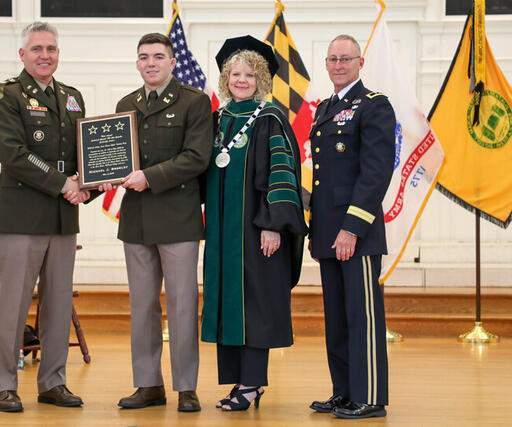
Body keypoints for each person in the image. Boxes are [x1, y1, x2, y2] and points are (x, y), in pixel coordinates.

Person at [0, 21, 89, 412]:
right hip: (21, 217)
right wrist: (65, 183)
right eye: (37, 49)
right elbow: (12, 153)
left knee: (59, 305)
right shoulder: (5, 96)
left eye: (51, 49)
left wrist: (94, 181)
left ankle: (52, 382)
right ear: (22, 55)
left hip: (63, 217)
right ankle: (4, 385)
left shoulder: (72, 97)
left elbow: (85, 152)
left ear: (58, 54)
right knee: (12, 305)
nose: (45, 55)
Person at [201, 35, 308, 412]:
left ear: (261, 78)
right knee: (229, 304)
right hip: (221, 234)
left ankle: (252, 384)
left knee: (255, 306)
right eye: (235, 73)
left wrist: (273, 225)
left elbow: (282, 175)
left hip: (255, 231)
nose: (241, 80)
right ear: (226, 79)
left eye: (249, 74)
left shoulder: (269, 119)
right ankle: (239, 382)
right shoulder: (217, 119)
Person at [111, 33, 212, 412]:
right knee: (142, 307)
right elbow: (115, 157)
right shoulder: (126, 105)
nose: (150, 63)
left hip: (178, 218)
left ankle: (187, 387)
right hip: (136, 219)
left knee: (183, 306)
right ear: (137, 63)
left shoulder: (194, 102)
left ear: (172, 62)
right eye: (143, 57)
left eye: (158, 56)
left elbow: (197, 157)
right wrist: (103, 174)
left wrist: (148, 177)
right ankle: (148, 384)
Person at [308, 34, 395, 419]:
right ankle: (343, 391)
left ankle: (370, 396)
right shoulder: (326, 108)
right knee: (338, 319)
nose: (339, 65)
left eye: (346, 58)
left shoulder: (375, 106)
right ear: (326, 64)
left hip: (355, 234)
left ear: (360, 62)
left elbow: (376, 173)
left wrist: (352, 228)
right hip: (328, 231)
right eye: (332, 59)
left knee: (362, 318)